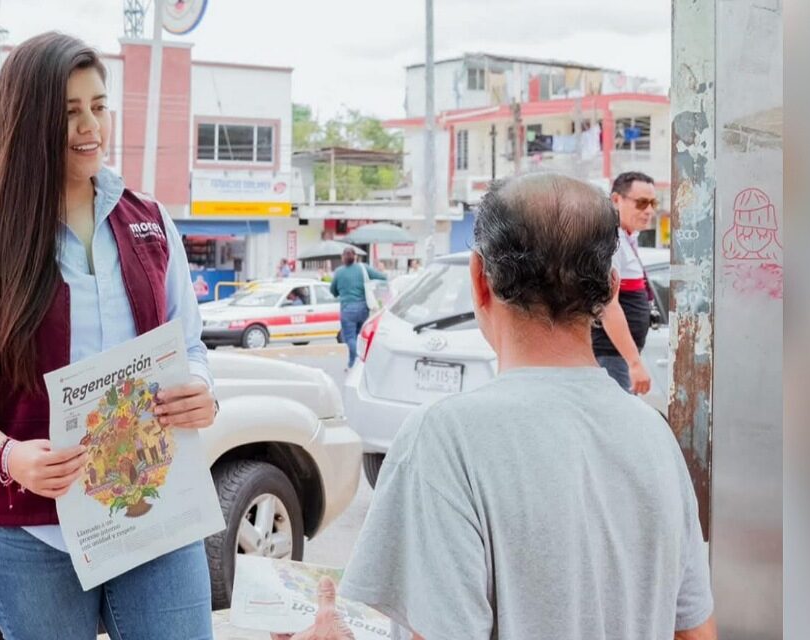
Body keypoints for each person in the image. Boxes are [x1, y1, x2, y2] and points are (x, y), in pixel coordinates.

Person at [284, 174, 715, 639]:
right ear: (612, 289)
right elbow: (696, 633)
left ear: (479, 278)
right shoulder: (654, 436)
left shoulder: (445, 440)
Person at [0, 33, 218, 640]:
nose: (90, 126)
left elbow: (190, 345)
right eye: (69, 111)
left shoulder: (151, 222)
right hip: (25, 533)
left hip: (151, 508)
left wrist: (200, 389)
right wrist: (8, 455)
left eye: (98, 106)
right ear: (28, 121)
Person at [592, 171, 659, 394]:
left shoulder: (626, 237)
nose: (649, 211)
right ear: (616, 200)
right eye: (641, 203)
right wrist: (634, 363)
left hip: (616, 356)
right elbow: (608, 306)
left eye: (653, 203)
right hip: (611, 355)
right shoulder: (610, 241)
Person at [329, 248, 387, 370]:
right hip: (363, 309)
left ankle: (357, 362)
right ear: (355, 256)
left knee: (350, 338)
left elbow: (333, 291)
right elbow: (383, 277)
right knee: (359, 337)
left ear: (342, 258)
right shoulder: (363, 268)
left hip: (347, 310)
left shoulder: (339, 272)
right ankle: (353, 364)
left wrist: (341, 291)